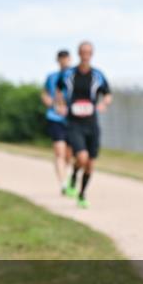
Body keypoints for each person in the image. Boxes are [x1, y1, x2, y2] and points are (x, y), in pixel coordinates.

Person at [56, 41, 112, 208]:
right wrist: (60, 105)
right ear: (79, 53)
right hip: (74, 123)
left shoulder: (98, 75)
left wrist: (104, 104)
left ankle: (82, 193)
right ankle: (73, 175)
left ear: (92, 54)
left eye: (89, 52)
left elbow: (108, 94)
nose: (86, 55)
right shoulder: (68, 74)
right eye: (83, 52)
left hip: (91, 123)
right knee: (81, 156)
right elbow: (58, 90)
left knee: (90, 164)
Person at [42, 49, 74, 194]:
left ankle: (66, 174)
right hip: (55, 117)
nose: (64, 61)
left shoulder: (75, 76)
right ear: (57, 60)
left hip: (72, 119)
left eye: (66, 58)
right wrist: (53, 105)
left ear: (70, 59)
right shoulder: (52, 77)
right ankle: (63, 183)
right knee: (59, 152)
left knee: (69, 154)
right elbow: (45, 94)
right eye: (61, 58)